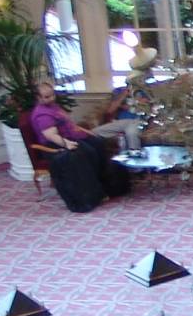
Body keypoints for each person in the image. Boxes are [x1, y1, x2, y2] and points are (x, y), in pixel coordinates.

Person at [28, 78, 131, 214]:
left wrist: (86, 132)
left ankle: (108, 187)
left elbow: (69, 125)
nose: (52, 98)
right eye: (47, 97)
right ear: (38, 97)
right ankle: (92, 196)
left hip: (70, 138)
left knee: (98, 144)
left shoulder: (53, 107)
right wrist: (67, 144)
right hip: (56, 145)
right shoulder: (42, 114)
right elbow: (51, 135)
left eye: (52, 95)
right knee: (88, 153)